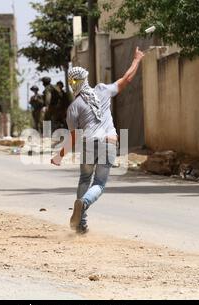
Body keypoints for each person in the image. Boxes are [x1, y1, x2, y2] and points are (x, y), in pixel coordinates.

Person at [51, 47, 145, 234]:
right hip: (108, 142)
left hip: (88, 144)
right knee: (99, 184)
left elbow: (73, 137)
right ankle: (84, 203)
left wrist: (59, 156)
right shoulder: (102, 90)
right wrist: (136, 60)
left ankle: (81, 224)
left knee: (85, 178)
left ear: (72, 85)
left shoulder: (73, 108)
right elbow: (126, 79)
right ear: (85, 80)